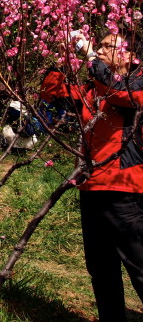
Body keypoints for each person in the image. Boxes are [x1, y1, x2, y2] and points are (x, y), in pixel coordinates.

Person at [41, 28, 143, 322]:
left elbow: (121, 92)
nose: (98, 49)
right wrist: (61, 52)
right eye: (98, 45)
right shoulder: (91, 88)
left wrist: (87, 57)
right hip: (92, 187)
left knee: (139, 264)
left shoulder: (136, 83)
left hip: (126, 187)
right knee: (100, 266)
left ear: (131, 55)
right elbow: (50, 90)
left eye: (108, 46)